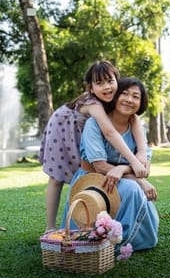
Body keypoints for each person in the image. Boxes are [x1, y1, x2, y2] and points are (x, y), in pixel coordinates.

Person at [39, 61, 148, 233]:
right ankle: (50, 227)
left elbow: (133, 119)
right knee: (56, 178)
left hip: (82, 130)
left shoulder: (113, 100)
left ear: (117, 80)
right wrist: (134, 161)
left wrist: (141, 153)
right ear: (90, 88)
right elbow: (110, 133)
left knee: (88, 167)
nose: (106, 87)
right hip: (63, 126)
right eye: (99, 83)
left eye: (110, 81)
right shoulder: (95, 104)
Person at [61, 77, 159, 252]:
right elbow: (100, 166)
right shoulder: (94, 124)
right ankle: (112, 244)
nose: (130, 99)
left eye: (136, 96)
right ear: (115, 96)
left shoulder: (138, 131)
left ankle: (126, 239)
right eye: (124, 93)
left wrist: (122, 169)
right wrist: (139, 181)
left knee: (131, 187)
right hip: (92, 179)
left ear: (141, 102)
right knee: (132, 188)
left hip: (120, 178)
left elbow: (144, 168)